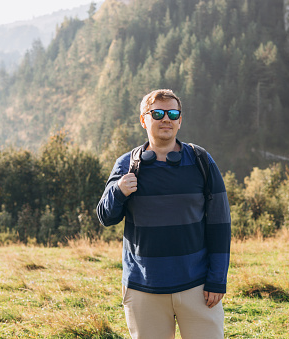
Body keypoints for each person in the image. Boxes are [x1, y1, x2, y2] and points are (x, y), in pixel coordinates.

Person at [97, 89, 231, 339]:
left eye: (172, 113)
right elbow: (106, 217)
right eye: (157, 113)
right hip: (143, 289)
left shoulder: (201, 161)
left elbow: (220, 223)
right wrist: (118, 191)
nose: (166, 119)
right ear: (143, 120)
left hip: (198, 287)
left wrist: (217, 280)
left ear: (180, 120)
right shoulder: (127, 164)